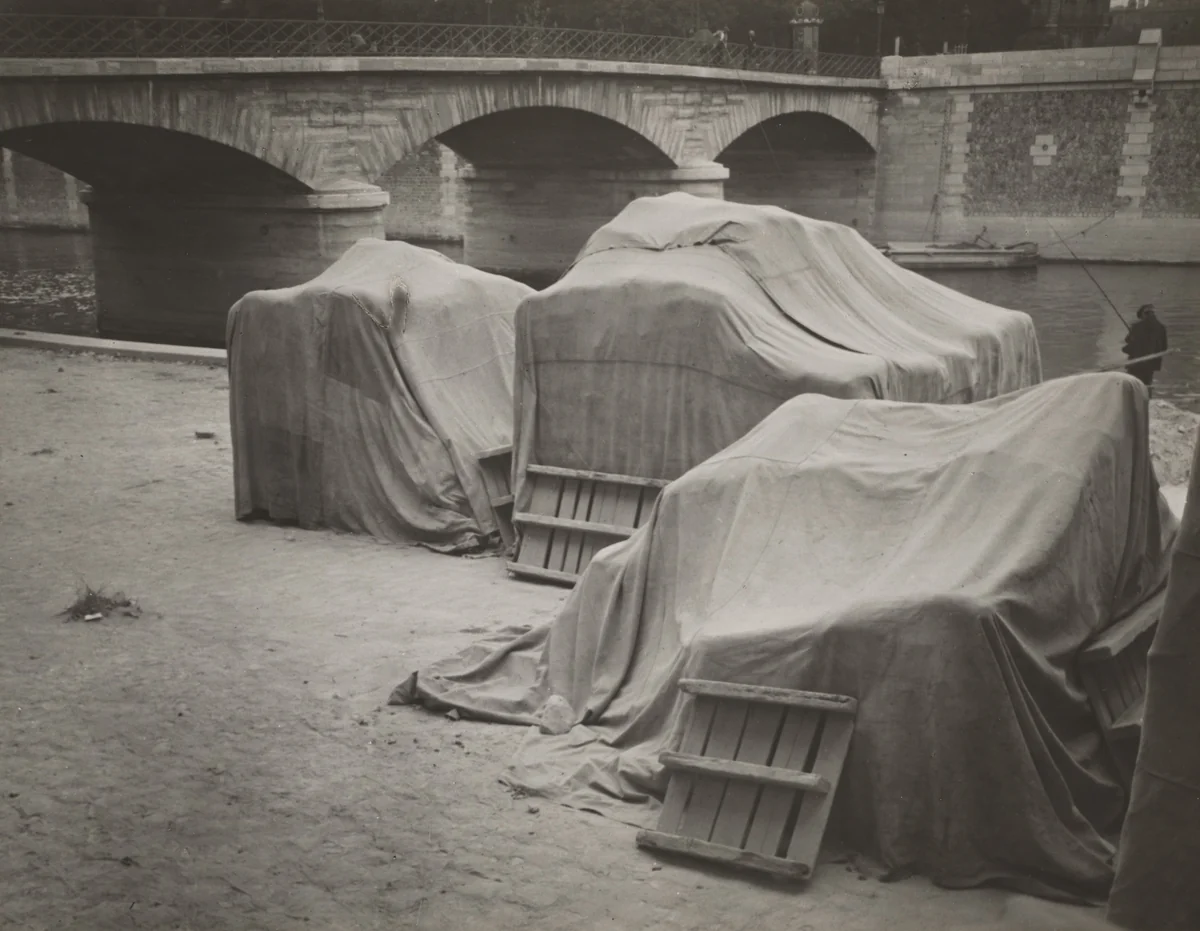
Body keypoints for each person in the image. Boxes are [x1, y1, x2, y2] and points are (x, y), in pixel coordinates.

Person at [1122, 303, 1168, 397]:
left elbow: (1128, 342)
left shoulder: (1136, 326)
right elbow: (1164, 348)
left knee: (1133, 386)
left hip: (1136, 363)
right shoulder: (1162, 328)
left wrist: (1125, 348)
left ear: (1143, 314)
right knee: (1147, 385)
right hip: (1151, 364)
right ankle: (1147, 404)